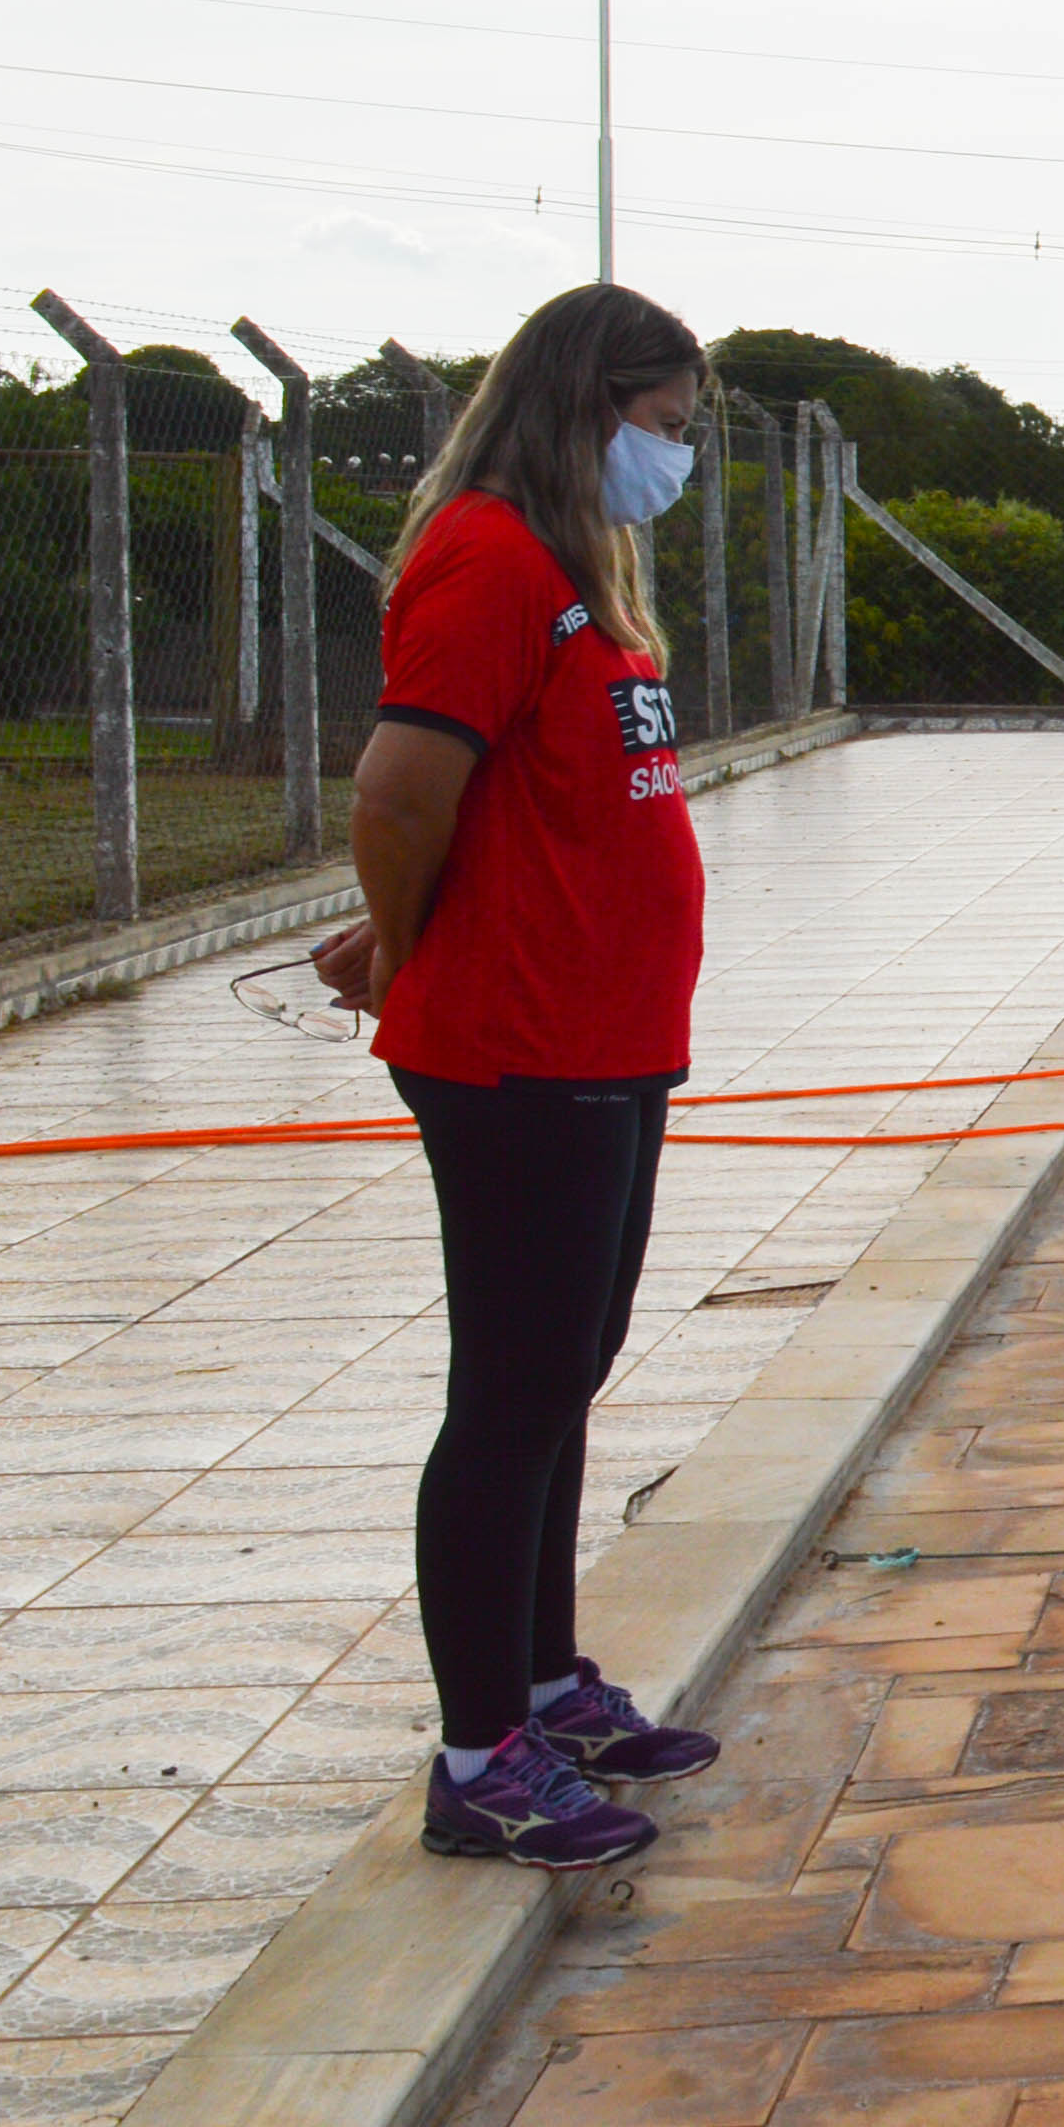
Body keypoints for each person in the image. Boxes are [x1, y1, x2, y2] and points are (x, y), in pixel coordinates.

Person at [317, 285, 734, 1869]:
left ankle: (547, 1681)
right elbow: (400, 791)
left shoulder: (570, 565)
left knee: (566, 1370)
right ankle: (479, 1751)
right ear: (587, 406)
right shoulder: (487, 557)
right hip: (520, 1046)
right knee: (509, 1394)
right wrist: (402, 938)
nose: (673, 460)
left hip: (608, 1038)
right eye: (667, 429)